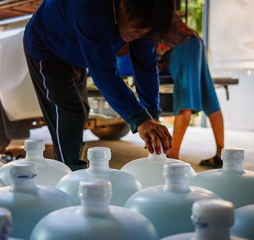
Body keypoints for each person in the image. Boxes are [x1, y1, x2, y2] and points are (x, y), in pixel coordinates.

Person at [23, 0, 176, 170]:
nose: (142, 33)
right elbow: (104, 71)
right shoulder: (89, 6)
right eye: (139, 27)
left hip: (77, 51)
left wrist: (151, 116)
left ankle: (72, 168)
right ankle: (68, 174)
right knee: (70, 111)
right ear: (124, 4)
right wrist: (140, 119)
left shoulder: (145, 20)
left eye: (148, 31)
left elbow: (145, 67)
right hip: (47, 47)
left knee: (81, 110)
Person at [157, 19, 224, 168]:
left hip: (180, 45)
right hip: (194, 41)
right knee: (208, 95)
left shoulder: (143, 9)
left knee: (184, 98)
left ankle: (173, 155)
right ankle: (222, 155)